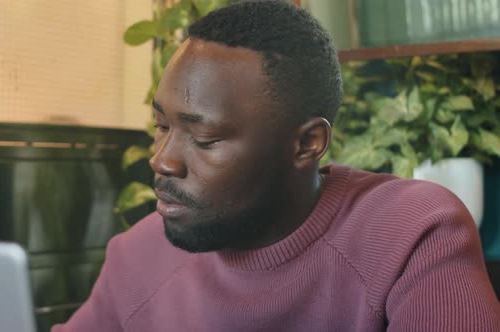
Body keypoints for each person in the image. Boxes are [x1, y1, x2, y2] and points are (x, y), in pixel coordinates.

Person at [52, 1, 500, 331]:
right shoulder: (136, 256)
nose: (162, 160)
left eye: (205, 139)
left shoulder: (410, 232)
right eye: (161, 126)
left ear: (307, 143)